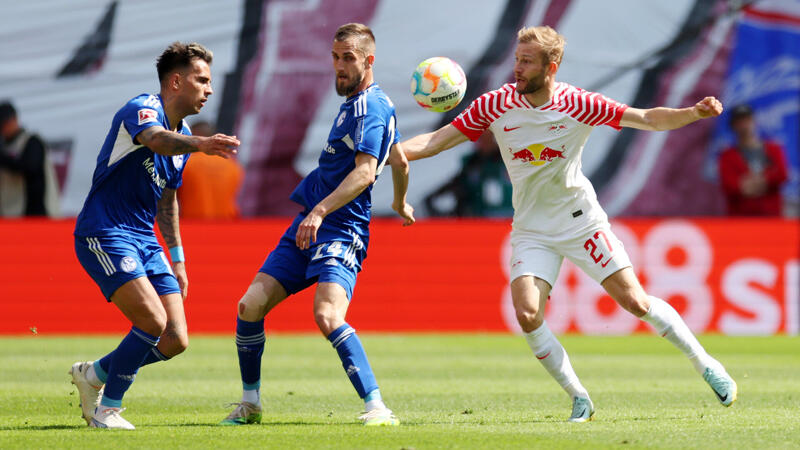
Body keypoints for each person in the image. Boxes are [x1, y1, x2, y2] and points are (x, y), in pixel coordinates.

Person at [400, 26, 737, 422]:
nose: (518, 69)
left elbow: (646, 118)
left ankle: (706, 363)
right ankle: (579, 397)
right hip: (531, 230)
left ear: (551, 66)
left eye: (527, 62)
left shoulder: (578, 103)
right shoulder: (494, 105)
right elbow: (435, 141)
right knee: (527, 314)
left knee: (636, 302)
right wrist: (378, 156)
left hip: (581, 223)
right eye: (516, 60)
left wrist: (693, 113)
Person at [220, 23, 414, 427]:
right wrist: (400, 201)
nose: (339, 67)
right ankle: (250, 403)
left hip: (340, 229)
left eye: (348, 59)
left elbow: (364, 173)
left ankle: (377, 407)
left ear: (368, 61)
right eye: (335, 57)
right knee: (249, 306)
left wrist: (321, 210)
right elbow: (399, 159)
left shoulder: (370, 107)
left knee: (327, 316)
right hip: (308, 225)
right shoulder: (360, 104)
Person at [69, 42, 239, 429]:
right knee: (151, 321)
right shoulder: (141, 108)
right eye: (202, 80)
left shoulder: (188, 133)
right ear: (176, 81)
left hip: (146, 239)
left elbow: (168, 201)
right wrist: (202, 145)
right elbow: (156, 140)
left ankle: (93, 374)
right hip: (106, 230)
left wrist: (177, 257)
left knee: (175, 339)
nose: (209, 89)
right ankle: (107, 410)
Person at [718, 104, 788, 216]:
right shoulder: (727, 156)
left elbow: (782, 174)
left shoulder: (773, 149)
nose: (744, 125)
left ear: (754, 121)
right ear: (733, 126)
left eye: (747, 120)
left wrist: (759, 181)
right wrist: (762, 182)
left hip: (771, 217)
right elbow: (729, 185)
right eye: (739, 122)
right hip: (742, 218)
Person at [424, 131, 513, 217]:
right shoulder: (472, 163)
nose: (482, 143)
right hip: (478, 220)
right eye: (480, 139)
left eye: (487, 138)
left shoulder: (510, 161)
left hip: (509, 218)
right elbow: (456, 185)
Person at [0, 101, 60, 217]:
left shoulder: (32, 141)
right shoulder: (3, 147)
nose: (5, 128)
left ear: (15, 119)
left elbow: (29, 166)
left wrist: (3, 159)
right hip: (12, 215)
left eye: (7, 122)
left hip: (40, 215)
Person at [177, 120, 245, 219]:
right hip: (227, 224)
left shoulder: (186, 163)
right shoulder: (233, 165)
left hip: (193, 224)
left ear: (196, 136)